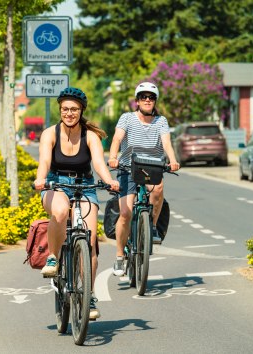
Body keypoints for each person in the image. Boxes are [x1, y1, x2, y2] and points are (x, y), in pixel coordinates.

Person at [33, 87, 120, 320]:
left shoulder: (90, 136)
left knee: (89, 241)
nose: (69, 113)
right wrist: (41, 179)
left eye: (74, 109)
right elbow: (44, 160)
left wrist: (109, 180)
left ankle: (89, 295)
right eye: (65, 109)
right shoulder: (49, 134)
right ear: (60, 110)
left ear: (81, 111)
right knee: (60, 212)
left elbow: (99, 164)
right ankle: (53, 257)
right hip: (55, 184)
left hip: (85, 186)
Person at [107, 82, 180, 277]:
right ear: (137, 101)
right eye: (143, 97)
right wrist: (113, 157)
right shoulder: (127, 118)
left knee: (157, 189)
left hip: (152, 166)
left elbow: (166, 142)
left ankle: (152, 227)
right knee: (125, 212)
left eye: (151, 97)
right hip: (127, 167)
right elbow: (116, 138)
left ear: (155, 101)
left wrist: (172, 160)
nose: (147, 100)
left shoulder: (161, 121)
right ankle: (120, 256)